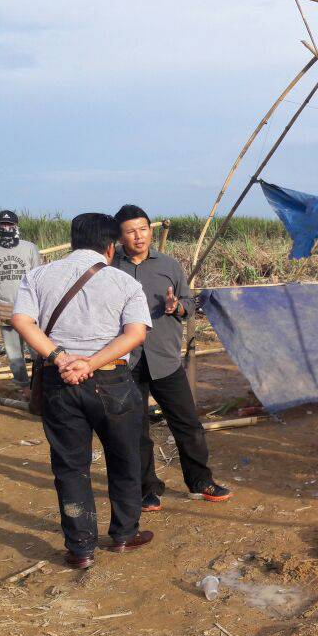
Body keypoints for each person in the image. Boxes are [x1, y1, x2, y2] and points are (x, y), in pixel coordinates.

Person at [11, 213, 155, 569]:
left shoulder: (38, 275)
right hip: (111, 382)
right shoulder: (124, 283)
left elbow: (21, 321)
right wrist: (90, 363)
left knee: (71, 467)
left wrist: (60, 358)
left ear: (73, 241)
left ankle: (81, 548)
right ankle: (124, 535)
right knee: (124, 459)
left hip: (59, 381)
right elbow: (135, 334)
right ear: (111, 246)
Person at [111, 205, 231, 510]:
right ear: (120, 236)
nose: (139, 236)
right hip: (127, 363)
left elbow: (190, 303)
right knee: (136, 430)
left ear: (150, 231)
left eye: (143, 229)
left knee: (188, 424)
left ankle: (199, 481)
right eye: (131, 231)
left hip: (165, 360)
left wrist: (176, 307)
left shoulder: (169, 265)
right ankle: (146, 488)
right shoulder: (111, 269)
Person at [0, 210, 42, 388]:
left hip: (29, 306)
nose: (6, 228)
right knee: (14, 352)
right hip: (5, 306)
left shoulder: (29, 248)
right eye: (2, 224)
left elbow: (39, 276)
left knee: (36, 348)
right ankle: (22, 384)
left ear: (16, 226)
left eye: (10, 225)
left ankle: (40, 383)